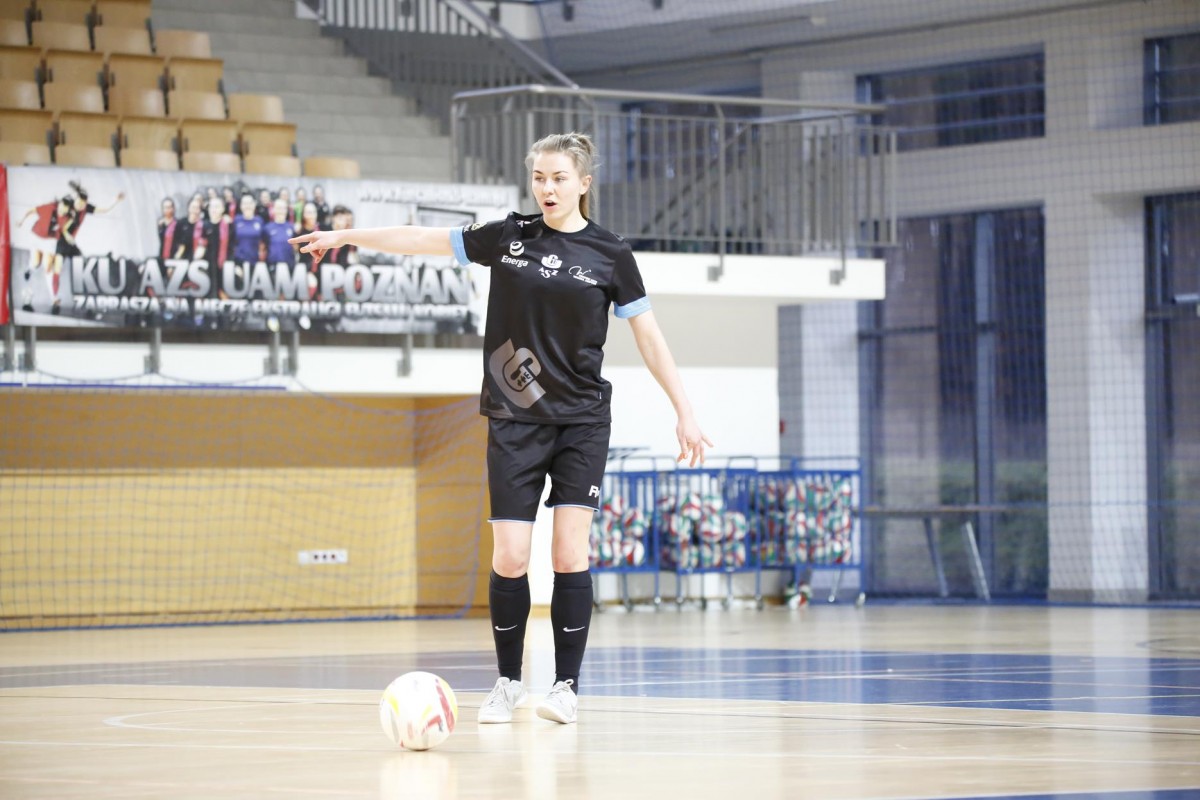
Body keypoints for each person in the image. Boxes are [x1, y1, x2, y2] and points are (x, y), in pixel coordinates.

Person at [291, 132, 712, 726]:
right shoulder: (510, 237)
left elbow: (649, 336)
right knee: (511, 557)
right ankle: (508, 683)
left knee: (569, 552)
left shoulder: (611, 253)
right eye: (539, 177)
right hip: (515, 418)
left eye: (559, 178)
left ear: (584, 183)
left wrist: (684, 409)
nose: (547, 188)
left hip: (581, 421)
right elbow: (421, 238)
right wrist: (345, 236)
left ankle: (565, 688)